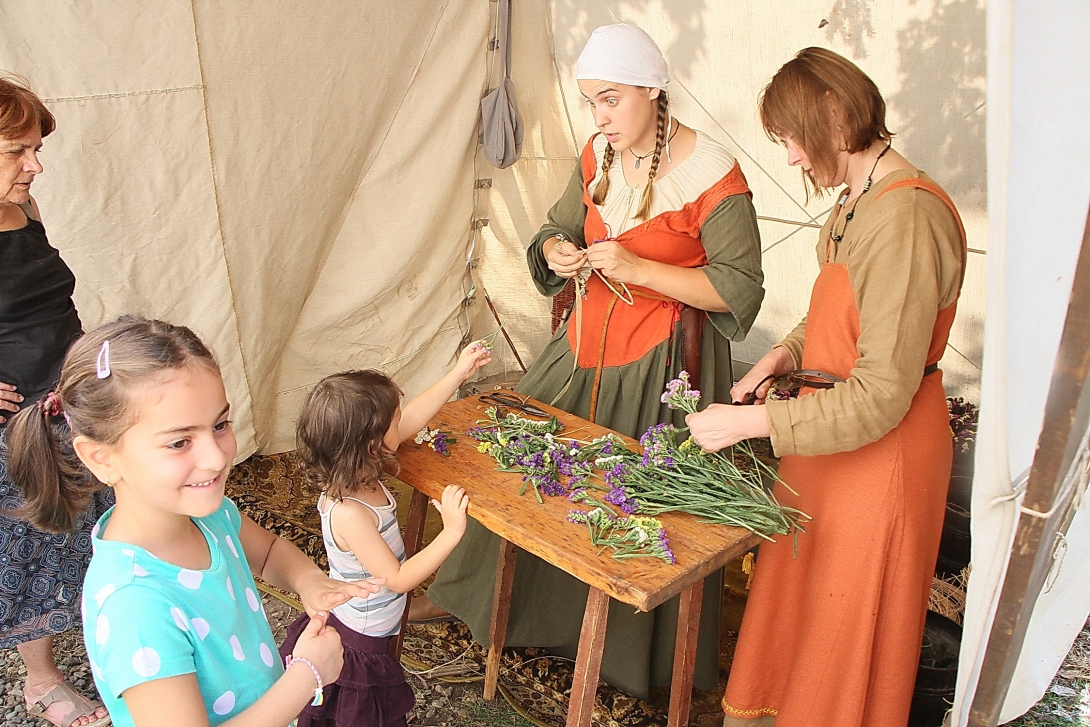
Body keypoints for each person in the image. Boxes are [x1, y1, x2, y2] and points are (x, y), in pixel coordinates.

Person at [422, 24, 765, 700]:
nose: (600, 117)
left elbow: (738, 287)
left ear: (652, 90)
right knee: (520, 466)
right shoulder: (599, 155)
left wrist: (642, 267)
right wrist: (556, 250)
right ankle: (495, 604)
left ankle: (621, 657)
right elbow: (559, 223)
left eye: (610, 100)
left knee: (631, 504)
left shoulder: (714, 175)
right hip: (583, 341)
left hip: (664, 362)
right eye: (591, 103)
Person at [685, 48, 966, 727]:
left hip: (881, 461)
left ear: (835, 116)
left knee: (843, 644)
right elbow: (835, 309)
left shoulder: (907, 218)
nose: (790, 158)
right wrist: (779, 358)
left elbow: (879, 397)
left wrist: (748, 425)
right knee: (797, 618)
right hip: (824, 442)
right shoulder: (859, 200)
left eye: (790, 137)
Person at [5, 316, 389, 727]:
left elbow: (270, 553)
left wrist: (310, 582)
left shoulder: (209, 515)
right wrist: (306, 676)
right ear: (102, 458)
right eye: (179, 442)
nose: (217, 457)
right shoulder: (134, 605)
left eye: (220, 425)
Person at [278, 341, 490, 727]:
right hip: (363, 631)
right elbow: (396, 580)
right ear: (372, 442)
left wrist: (459, 371)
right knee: (361, 713)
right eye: (392, 419)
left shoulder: (361, 468)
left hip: (373, 622)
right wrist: (452, 532)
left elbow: (412, 418)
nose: (401, 421)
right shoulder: (351, 513)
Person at [0, 73, 110, 727]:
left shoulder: (24, 210)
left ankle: (113, 643)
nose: (35, 166)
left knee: (87, 530)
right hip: (14, 427)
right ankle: (41, 680)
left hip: (68, 399)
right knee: (30, 543)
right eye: (17, 151)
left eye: (36, 149)